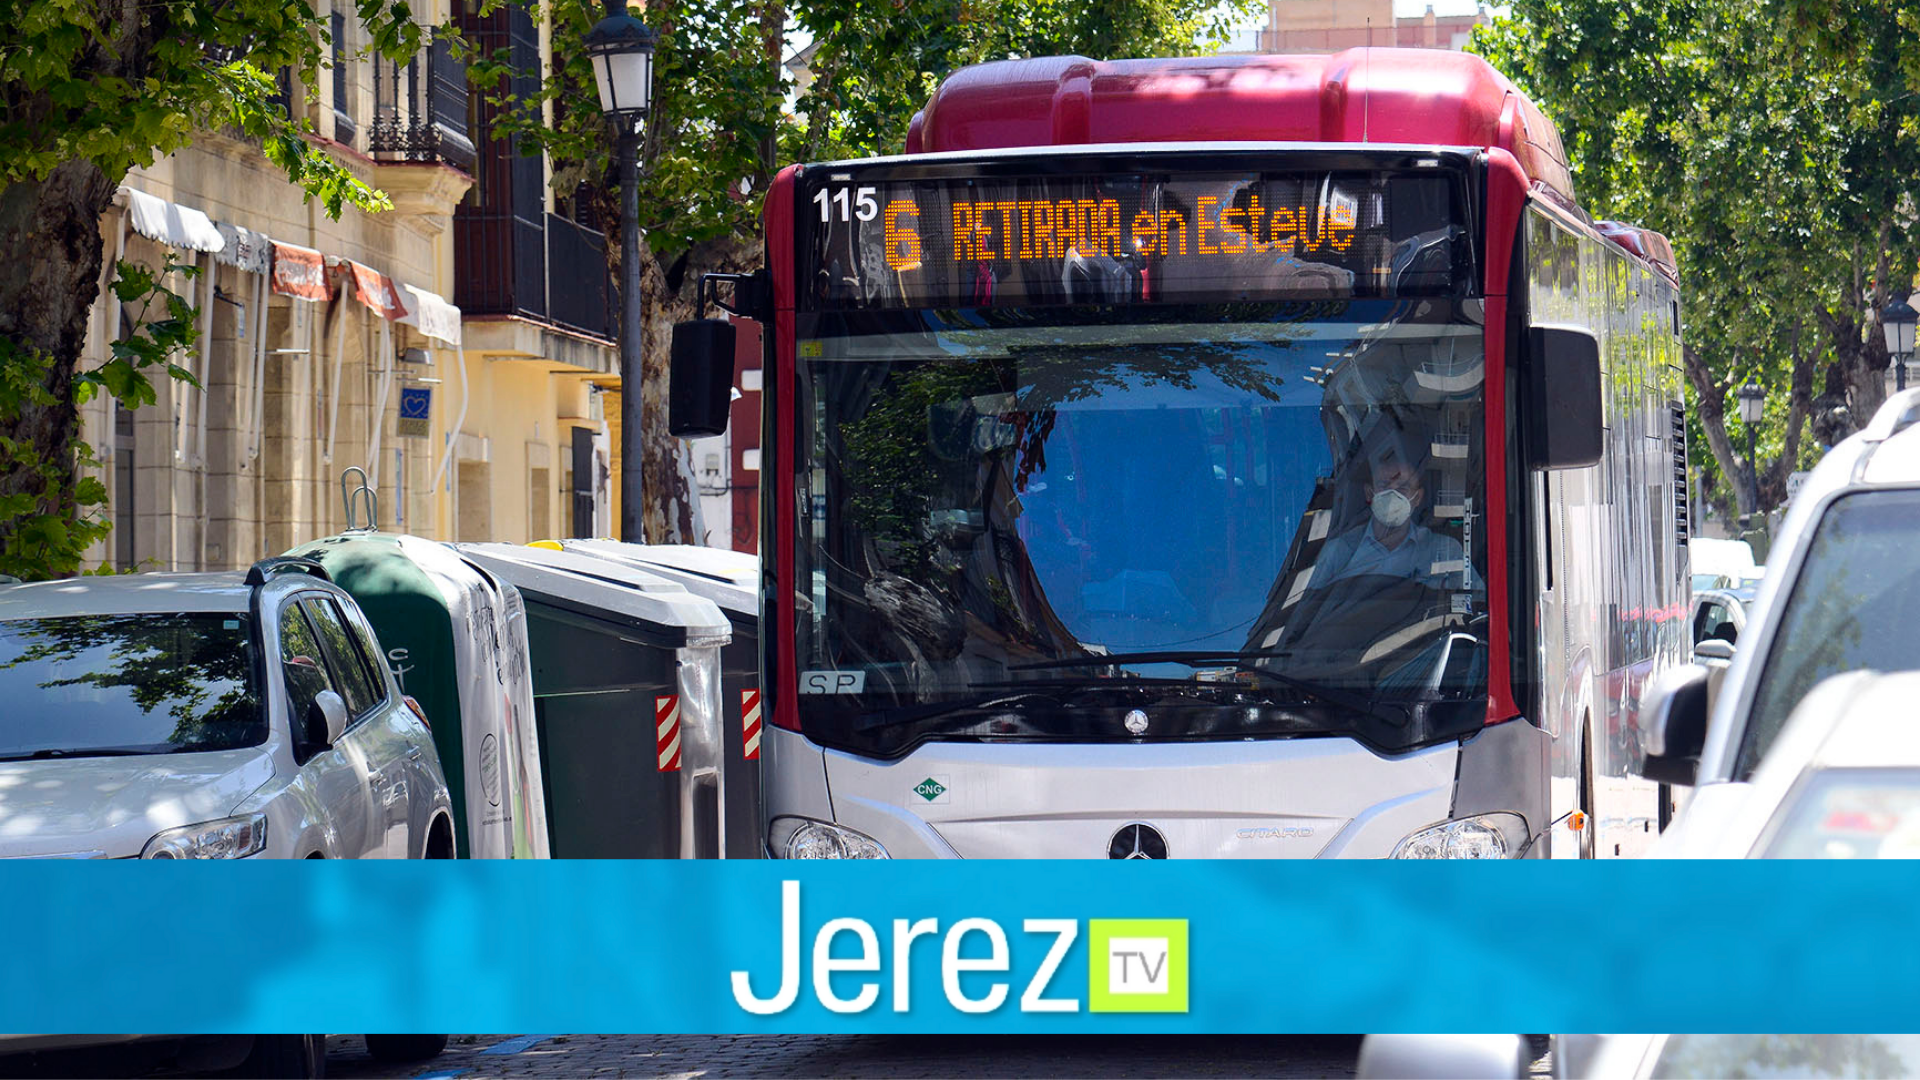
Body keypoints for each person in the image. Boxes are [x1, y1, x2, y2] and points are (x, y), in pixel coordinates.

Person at [1312, 441, 1474, 591]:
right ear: (1369, 493)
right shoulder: (1339, 551)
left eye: (1403, 488)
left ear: (1417, 498)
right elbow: (1309, 610)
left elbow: (1476, 602)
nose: (1393, 495)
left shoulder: (1444, 550)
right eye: (1384, 485)